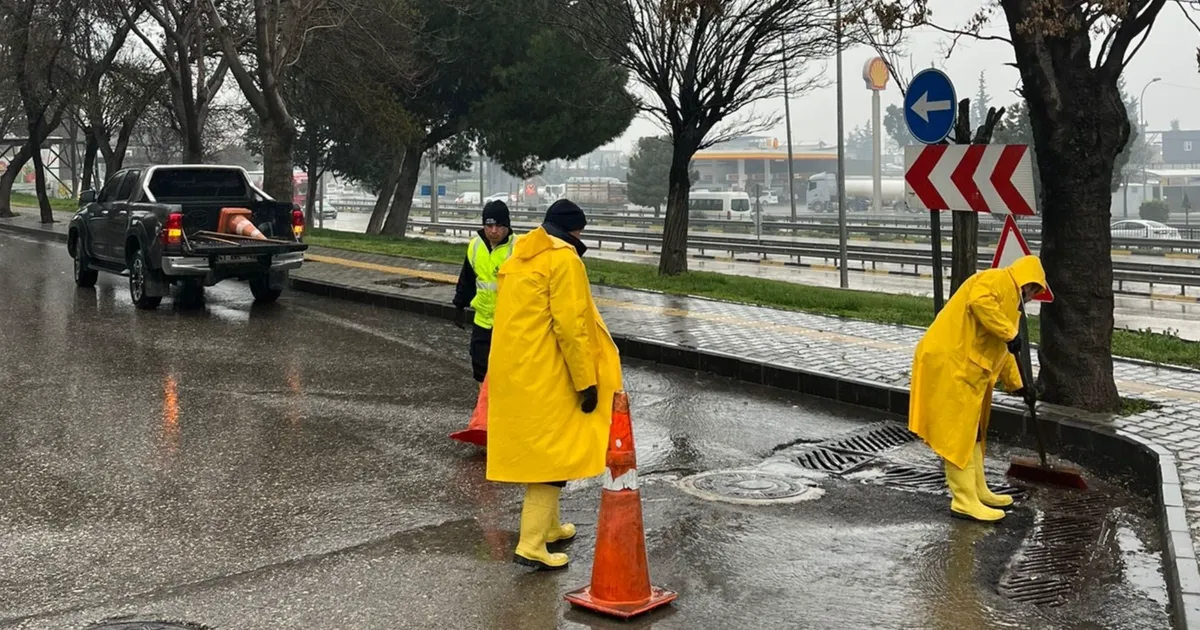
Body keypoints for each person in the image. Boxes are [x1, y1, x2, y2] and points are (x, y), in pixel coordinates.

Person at [485, 199, 622, 570]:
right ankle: (531, 544)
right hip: (550, 371)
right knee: (551, 461)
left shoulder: (520, 256)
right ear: (574, 229)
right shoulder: (564, 260)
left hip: (518, 371)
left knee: (547, 451)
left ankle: (550, 528)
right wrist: (586, 381)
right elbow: (571, 327)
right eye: (581, 229)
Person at [908, 254, 1049, 523]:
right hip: (951, 363)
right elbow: (980, 303)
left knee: (974, 433)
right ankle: (964, 500)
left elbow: (1004, 349)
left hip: (970, 370)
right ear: (1027, 282)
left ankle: (978, 491)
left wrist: (1020, 386)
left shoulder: (1010, 306)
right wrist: (1010, 334)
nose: (1031, 298)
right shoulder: (994, 280)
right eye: (1033, 291)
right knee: (958, 435)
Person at [453, 200, 516, 383]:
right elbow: (467, 279)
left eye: (498, 225)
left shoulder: (518, 248)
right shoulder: (475, 246)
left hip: (508, 323)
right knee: (480, 369)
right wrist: (459, 305)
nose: (493, 230)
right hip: (482, 321)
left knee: (506, 373)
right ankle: (484, 410)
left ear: (507, 226)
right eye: (489, 225)